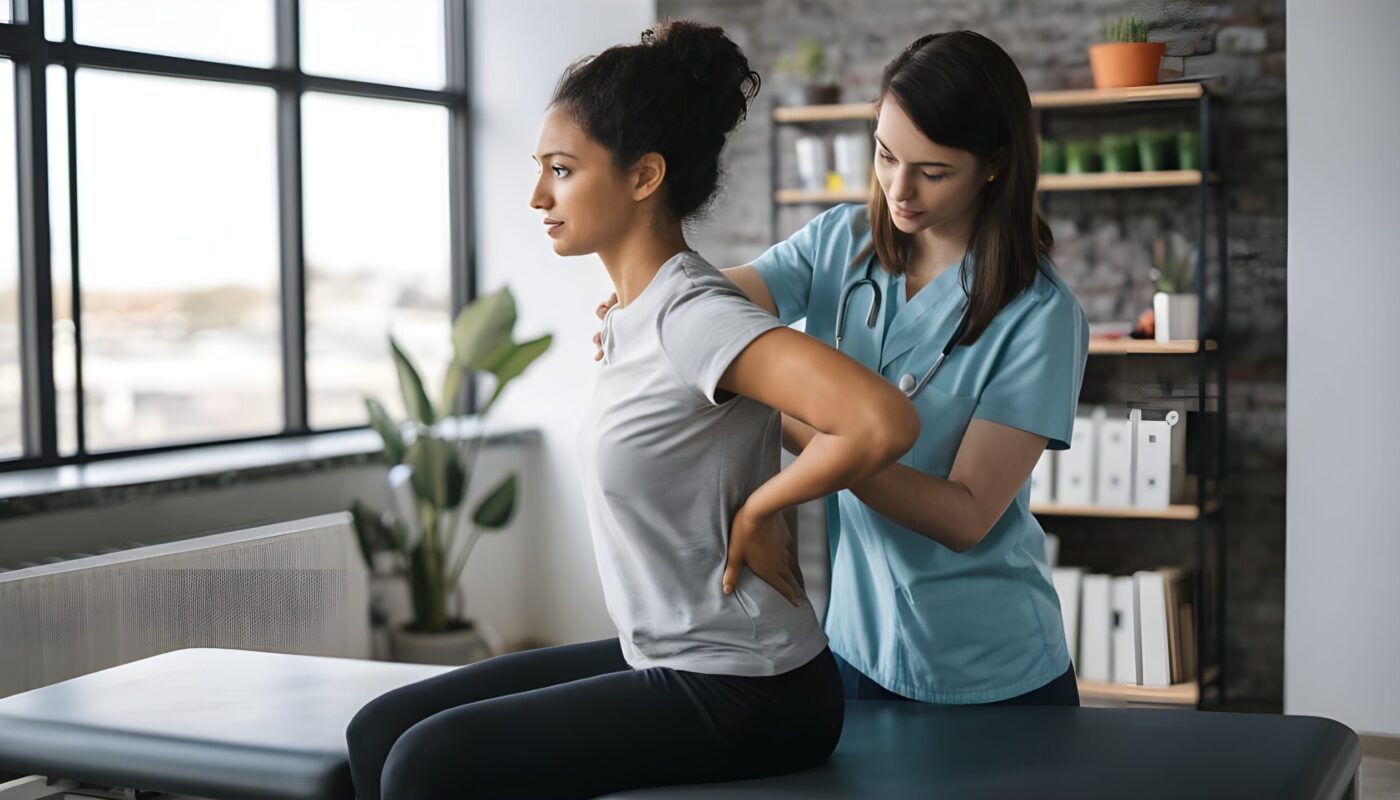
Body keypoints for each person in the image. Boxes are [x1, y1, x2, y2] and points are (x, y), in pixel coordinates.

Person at [345, 21, 919, 799]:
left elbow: (880, 419)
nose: (538, 196)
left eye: (562, 170)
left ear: (644, 175)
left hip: (751, 685)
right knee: (378, 732)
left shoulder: (693, 314)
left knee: (424, 765)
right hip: (663, 653)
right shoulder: (635, 312)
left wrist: (762, 507)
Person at [595, 30, 1090, 707]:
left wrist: (828, 439)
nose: (898, 189)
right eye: (885, 155)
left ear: (995, 166)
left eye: (933, 171)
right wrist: (648, 304)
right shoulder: (841, 242)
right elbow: (716, 304)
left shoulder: (1041, 316)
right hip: (856, 645)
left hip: (989, 668)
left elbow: (966, 515)